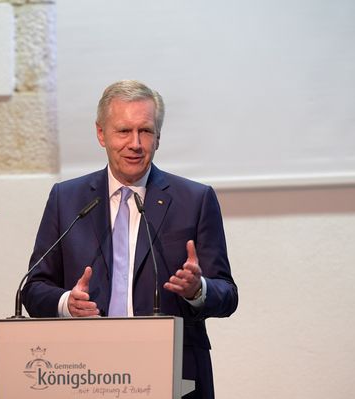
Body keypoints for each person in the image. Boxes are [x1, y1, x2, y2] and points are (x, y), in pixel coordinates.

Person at [22, 80, 238, 398]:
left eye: (146, 131)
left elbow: (227, 294)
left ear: (158, 137)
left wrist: (198, 290)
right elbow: (33, 289)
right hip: (86, 372)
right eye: (124, 131)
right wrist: (68, 303)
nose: (135, 143)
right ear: (101, 134)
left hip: (173, 373)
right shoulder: (66, 199)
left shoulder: (195, 199)